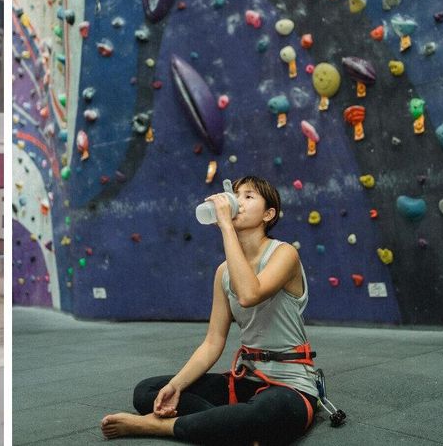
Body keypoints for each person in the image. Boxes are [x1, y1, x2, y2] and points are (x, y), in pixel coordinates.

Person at [101, 176, 318, 445]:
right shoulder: (223, 272)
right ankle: (232, 426)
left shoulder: (284, 254)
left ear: (268, 214)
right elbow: (213, 342)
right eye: (236, 195)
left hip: (292, 385)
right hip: (247, 379)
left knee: (268, 412)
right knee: (149, 391)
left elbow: (250, 294)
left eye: (248, 196)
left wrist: (226, 226)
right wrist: (176, 385)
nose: (237, 201)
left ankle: (158, 427)